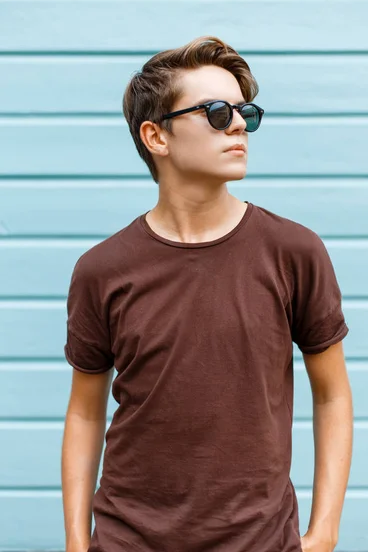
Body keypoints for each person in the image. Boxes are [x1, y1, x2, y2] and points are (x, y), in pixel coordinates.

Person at [61, 35, 353, 552]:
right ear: (157, 136)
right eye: (217, 112)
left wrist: (324, 531)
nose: (239, 124)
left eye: (247, 113)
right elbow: (85, 411)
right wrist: (77, 544)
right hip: (129, 539)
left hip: (260, 540)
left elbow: (331, 394)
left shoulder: (293, 252)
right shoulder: (101, 271)